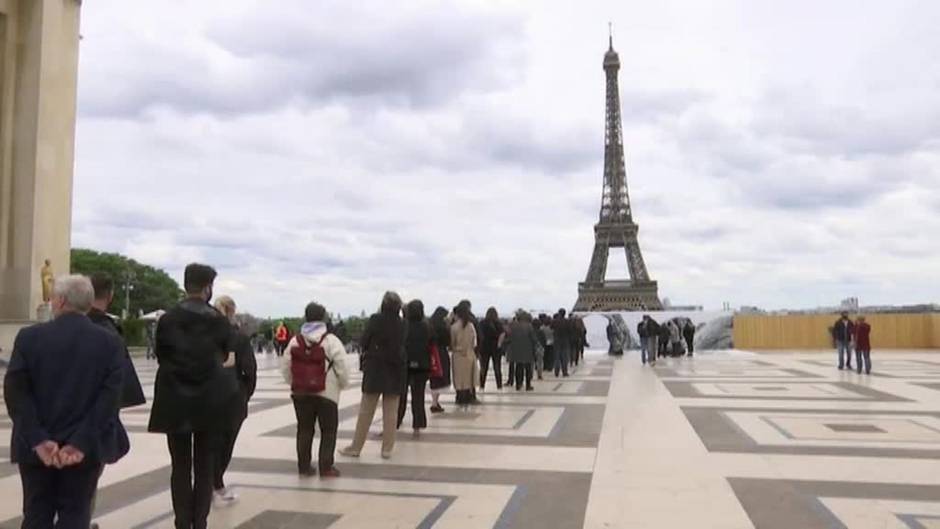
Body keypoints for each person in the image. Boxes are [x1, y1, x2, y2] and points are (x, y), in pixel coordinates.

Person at [5, 275, 129, 529]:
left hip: (36, 448)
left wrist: (38, 439)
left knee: (36, 513)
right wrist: (79, 443)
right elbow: (109, 399)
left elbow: (16, 392)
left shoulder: (29, 337)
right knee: (76, 514)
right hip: (85, 449)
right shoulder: (109, 341)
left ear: (60, 301)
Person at [148, 263, 240, 529]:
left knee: (179, 465)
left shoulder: (167, 319)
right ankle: (199, 521)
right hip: (209, 399)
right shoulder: (217, 320)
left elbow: (162, 354)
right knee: (204, 464)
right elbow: (224, 354)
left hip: (175, 397)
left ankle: (181, 521)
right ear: (208, 287)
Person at [88, 272, 147, 528]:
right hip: (93, 422)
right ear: (110, 296)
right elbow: (118, 388)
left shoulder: (42, 333)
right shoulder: (109, 334)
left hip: (50, 423)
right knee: (86, 479)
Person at [282, 302, 350, 477]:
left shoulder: (294, 341)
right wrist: (341, 384)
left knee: (304, 429)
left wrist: (295, 382)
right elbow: (342, 366)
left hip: (301, 393)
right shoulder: (331, 341)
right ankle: (326, 467)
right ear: (324, 318)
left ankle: (304, 467)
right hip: (326, 393)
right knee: (328, 431)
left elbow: (286, 366)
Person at [341, 292, 407, 460]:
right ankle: (387, 449)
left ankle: (356, 447)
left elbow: (364, 341)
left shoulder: (375, 319)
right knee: (391, 413)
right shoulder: (402, 323)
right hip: (395, 369)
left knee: (366, 411)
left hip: (375, 369)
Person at [212, 296, 257, 505]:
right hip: (233, 396)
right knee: (226, 443)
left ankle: (208, 482)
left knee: (209, 442)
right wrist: (246, 393)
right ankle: (216, 483)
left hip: (207, 395)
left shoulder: (206, 336)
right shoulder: (239, 338)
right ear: (232, 312)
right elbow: (249, 370)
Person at [398, 300, 432, 434]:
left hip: (405, 364)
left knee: (401, 395)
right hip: (422, 365)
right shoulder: (427, 326)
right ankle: (418, 424)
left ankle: (396, 421)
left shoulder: (403, 326)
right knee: (419, 396)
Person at [450, 303, 479, 408]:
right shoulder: (471, 326)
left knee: (459, 379)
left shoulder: (454, 327)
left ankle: (459, 398)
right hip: (470, 354)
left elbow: (452, 344)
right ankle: (469, 397)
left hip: (458, 355)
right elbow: (474, 342)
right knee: (469, 378)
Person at [505, 311, 539, 391]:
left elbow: (509, 337)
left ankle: (518, 384)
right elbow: (533, 338)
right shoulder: (529, 326)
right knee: (528, 368)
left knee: (518, 367)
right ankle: (528, 385)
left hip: (516, 349)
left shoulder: (513, 326)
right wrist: (536, 344)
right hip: (528, 350)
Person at [428, 307, 452, 413]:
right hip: (441, 352)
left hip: (431, 352)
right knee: (440, 376)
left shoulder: (429, 324)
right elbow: (448, 341)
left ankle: (434, 402)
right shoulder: (443, 327)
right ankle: (434, 402)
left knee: (434, 377)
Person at [479, 308, 504, 390]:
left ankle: (482, 385)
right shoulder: (498, 323)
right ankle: (499, 386)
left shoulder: (482, 323)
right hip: (496, 348)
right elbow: (502, 334)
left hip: (485, 347)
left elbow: (480, 335)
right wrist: (499, 344)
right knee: (497, 367)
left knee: (483, 368)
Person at [552, 310, 570, 377]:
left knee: (557, 358)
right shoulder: (566, 321)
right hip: (565, 341)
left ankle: (556, 372)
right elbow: (569, 330)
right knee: (564, 358)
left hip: (557, 341)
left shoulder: (555, 321)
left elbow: (551, 327)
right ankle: (564, 372)